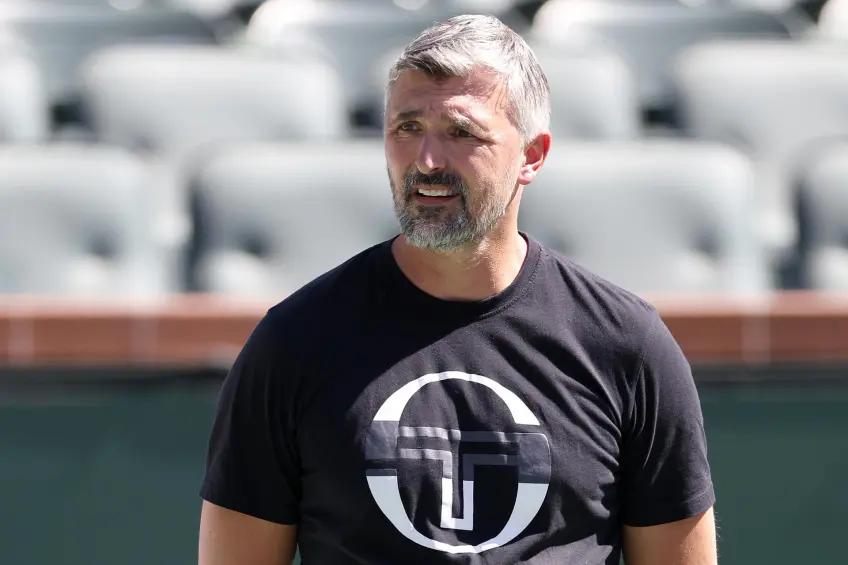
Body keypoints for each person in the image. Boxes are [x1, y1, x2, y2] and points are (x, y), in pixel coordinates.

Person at [198, 14, 717, 565]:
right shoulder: (295, 342)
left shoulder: (626, 344)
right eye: (407, 128)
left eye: (461, 133)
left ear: (532, 155)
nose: (427, 161)